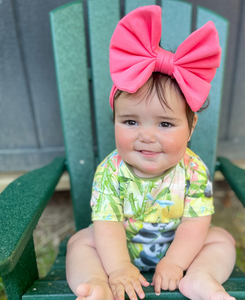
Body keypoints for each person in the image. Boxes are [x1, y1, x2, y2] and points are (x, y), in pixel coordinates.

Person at [66, 5, 236, 300]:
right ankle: (97, 284)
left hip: (180, 251)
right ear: (115, 119)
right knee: (81, 242)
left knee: (221, 239)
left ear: (191, 126)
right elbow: (107, 224)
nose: (146, 136)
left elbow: (196, 222)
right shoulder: (111, 170)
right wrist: (118, 267)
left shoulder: (193, 169)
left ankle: (199, 277)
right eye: (130, 121)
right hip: (117, 251)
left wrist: (175, 263)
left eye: (166, 123)